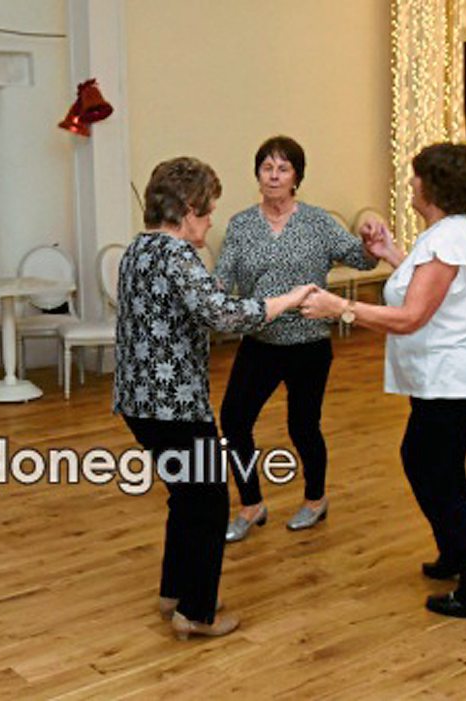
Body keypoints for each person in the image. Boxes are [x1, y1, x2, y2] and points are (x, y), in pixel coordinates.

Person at [301, 142, 466, 622]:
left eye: (416, 176)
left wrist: (340, 307)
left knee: (436, 474)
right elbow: (426, 286)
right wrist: (389, 252)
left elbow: (412, 316)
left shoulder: (448, 240)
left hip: (453, 380)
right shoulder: (451, 233)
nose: (411, 183)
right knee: (433, 467)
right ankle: (454, 555)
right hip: (449, 378)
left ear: (433, 186)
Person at [113, 157, 312, 640]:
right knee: (207, 503)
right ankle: (197, 613)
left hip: (139, 403)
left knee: (187, 497)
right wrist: (288, 299)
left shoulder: (137, 249)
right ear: (187, 210)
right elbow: (224, 316)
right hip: (174, 405)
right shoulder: (177, 255)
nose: (210, 220)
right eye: (207, 211)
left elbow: (183, 305)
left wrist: (216, 290)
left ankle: (176, 593)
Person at [214, 135, 377, 542]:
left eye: (283, 168)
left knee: (303, 426)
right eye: (267, 167)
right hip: (260, 341)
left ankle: (315, 499)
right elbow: (222, 278)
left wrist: (372, 240)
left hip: (309, 344)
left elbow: (361, 258)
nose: (273, 175)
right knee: (234, 421)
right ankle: (251, 504)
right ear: (257, 174)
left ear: (296, 177)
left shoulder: (317, 222)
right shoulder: (241, 225)